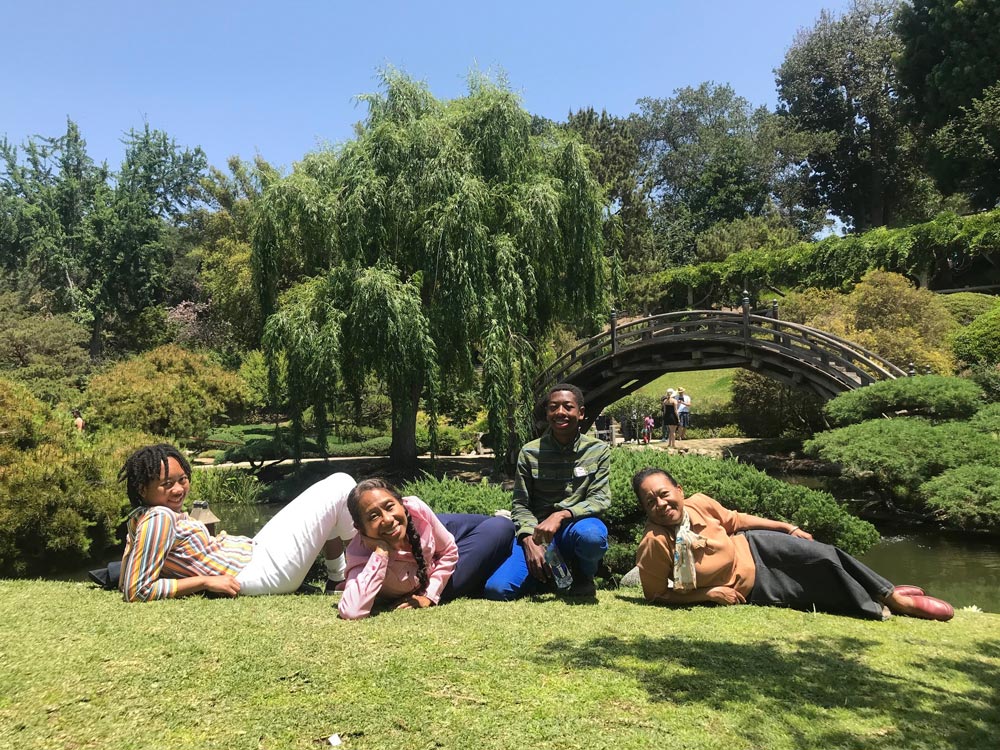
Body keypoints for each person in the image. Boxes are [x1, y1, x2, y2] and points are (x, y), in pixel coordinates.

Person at [632, 467, 954, 621]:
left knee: (824, 554)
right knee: (821, 591)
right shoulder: (654, 543)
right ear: (646, 509)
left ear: (679, 490)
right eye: (651, 502)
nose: (661, 504)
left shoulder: (700, 503)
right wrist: (706, 593)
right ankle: (875, 604)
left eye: (664, 494)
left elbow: (737, 521)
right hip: (753, 586)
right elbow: (657, 594)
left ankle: (892, 596)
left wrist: (787, 527)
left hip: (755, 547)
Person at [118, 443, 356, 602]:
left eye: (182, 479)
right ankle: (360, 578)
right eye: (167, 484)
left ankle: (340, 579)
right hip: (257, 573)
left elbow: (130, 573)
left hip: (254, 554)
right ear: (142, 488)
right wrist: (205, 581)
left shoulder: (147, 515)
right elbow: (136, 589)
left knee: (330, 506)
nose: (179, 489)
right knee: (341, 484)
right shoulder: (159, 517)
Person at [484, 383, 610, 600]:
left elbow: (601, 498)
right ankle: (546, 575)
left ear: (580, 413)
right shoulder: (530, 452)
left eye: (567, 407)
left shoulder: (598, 450)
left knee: (592, 536)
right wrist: (527, 538)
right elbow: (520, 504)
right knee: (498, 590)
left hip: (576, 527)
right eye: (553, 407)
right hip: (538, 533)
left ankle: (583, 577)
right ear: (547, 412)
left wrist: (561, 514)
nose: (560, 412)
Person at [338, 478, 514, 620]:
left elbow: (448, 550)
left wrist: (428, 595)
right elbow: (352, 611)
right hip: (431, 553)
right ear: (360, 528)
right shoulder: (361, 556)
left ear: (402, 504)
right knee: (500, 527)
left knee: (499, 523)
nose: (388, 519)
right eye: (373, 516)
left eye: (390, 506)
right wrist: (381, 552)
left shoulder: (416, 510)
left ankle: (507, 522)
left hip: (435, 529)